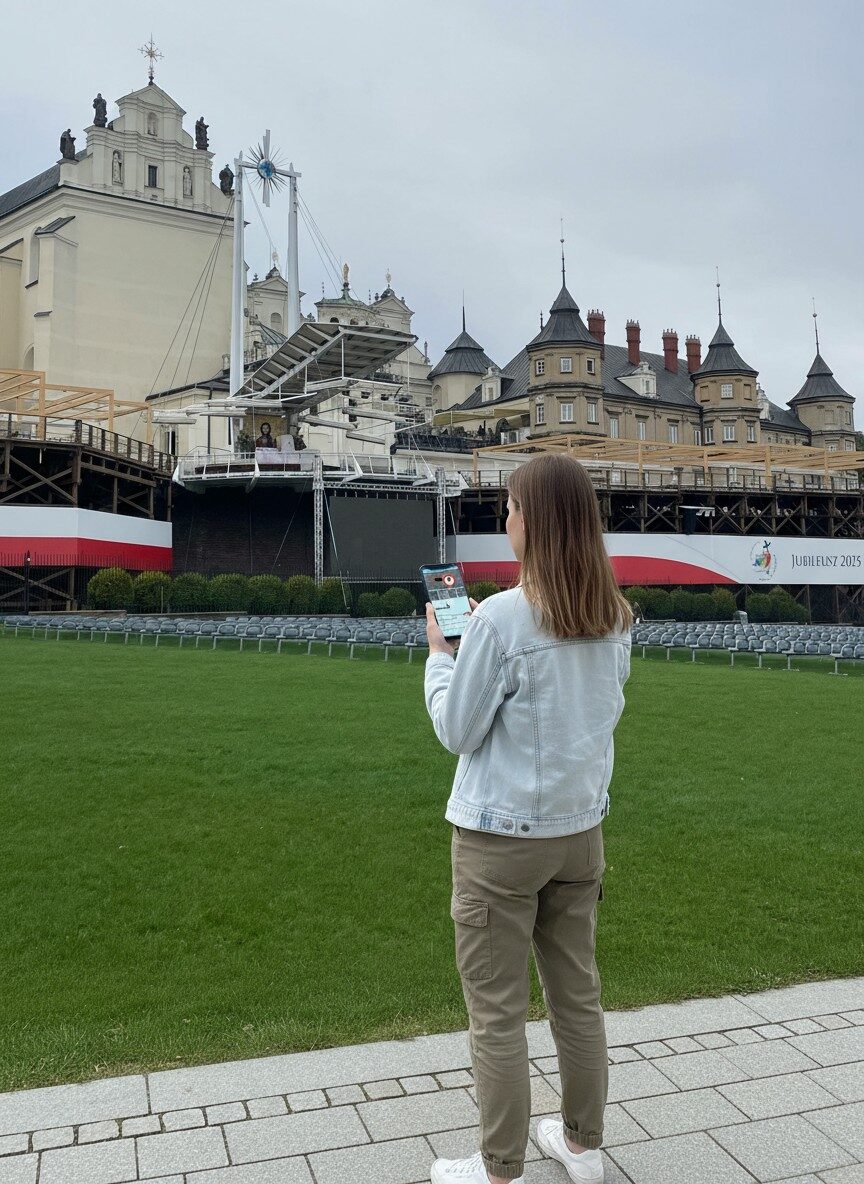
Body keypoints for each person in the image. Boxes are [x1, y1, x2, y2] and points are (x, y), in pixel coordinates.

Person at [424, 453, 632, 1184]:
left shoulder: (504, 622)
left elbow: (458, 729)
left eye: (509, 508)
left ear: (534, 521)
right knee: (578, 997)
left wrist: (441, 654)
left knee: (498, 1013)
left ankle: (500, 1167)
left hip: (501, 839)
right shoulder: (613, 616)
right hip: (579, 836)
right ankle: (583, 1146)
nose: (504, 520)